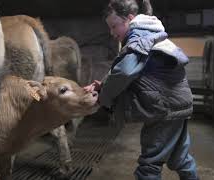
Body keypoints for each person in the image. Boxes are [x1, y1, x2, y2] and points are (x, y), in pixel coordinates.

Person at [84, 0, 199, 179]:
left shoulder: (139, 37)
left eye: (114, 26)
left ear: (129, 19)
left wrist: (103, 97)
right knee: (180, 158)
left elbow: (124, 72)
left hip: (164, 110)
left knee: (149, 166)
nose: (112, 33)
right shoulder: (152, 34)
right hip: (178, 106)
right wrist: (104, 84)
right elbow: (128, 68)